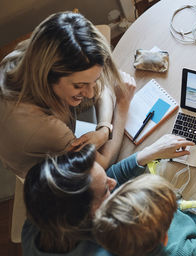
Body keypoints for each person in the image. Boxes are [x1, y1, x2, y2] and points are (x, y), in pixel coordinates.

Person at [22, 135, 194, 256]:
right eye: (106, 190)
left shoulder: (41, 214)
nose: (114, 182)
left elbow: (100, 180)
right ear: (88, 215)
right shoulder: (121, 248)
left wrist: (147, 153)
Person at [0, 11, 134, 178]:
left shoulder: (28, 58)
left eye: (93, 81)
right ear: (49, 76)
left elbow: (101, 87)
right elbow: (104, 162)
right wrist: (122, 105)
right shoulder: (45, 127)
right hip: (41, 173)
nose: (91, 92)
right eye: (79, 85)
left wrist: (104, 129)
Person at [93, 153, 196, 256]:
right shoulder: (178, 255)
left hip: (193, 224)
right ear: (165, 238)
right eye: (171, 211)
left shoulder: (110, 228)